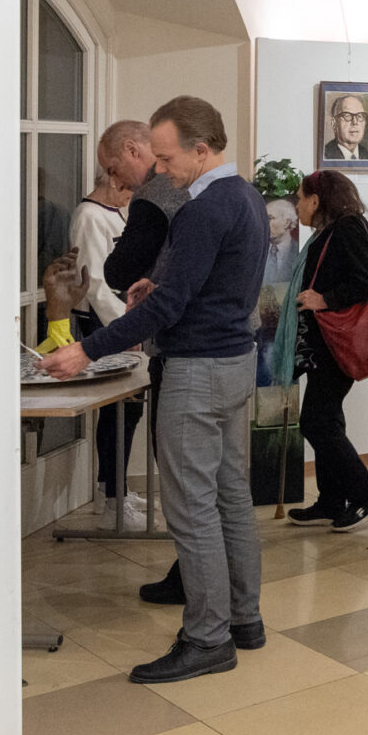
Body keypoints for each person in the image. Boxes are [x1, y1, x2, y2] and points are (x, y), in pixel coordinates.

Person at [39, 96, 266, 685]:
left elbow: (172, 305)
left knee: (192, 510)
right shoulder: (245, 196)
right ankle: (245, 620)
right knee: (230, 496)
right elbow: (205, 287)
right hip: (234, 361)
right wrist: (157, 288)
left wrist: (86, 350)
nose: (159, 172)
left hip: (197, 370)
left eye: (166, 160)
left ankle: (208, 638)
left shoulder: (203, 208)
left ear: (201, 149)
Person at [94, 119, 193, 602]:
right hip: (225, 351)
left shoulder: (156, 195)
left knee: (178, 469)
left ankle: (193, 580)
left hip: (183, 350)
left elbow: (119, 269)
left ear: (135, 150)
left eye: (114, 168)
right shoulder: (225, 194)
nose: (116, 181)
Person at [291, 169, 368, 531]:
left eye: (300, 198)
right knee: (327, 419)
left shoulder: (349, 229)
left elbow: (367, 280)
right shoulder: (333, 230)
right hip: (325, 344)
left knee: (316, 421)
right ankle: (331, 501)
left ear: (317, 200)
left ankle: (366, 494)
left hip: (336, 344)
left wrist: (325, 299)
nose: (297, 205)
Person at [69, 168, 145, 524]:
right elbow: (95, 283)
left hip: (120, 318)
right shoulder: (89, 215)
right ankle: (113, 498)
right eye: (128, 188)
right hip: (106, 322)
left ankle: (113, 487)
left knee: (128, 410)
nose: (129, 197)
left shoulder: (114, 212)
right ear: (115, 179)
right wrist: (126, 328)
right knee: (119, 410)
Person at [321, 92, 368, 162]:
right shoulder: (324, 155)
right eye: (347, 116)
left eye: (360, 116)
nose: (355, 122)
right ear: (334, 124)